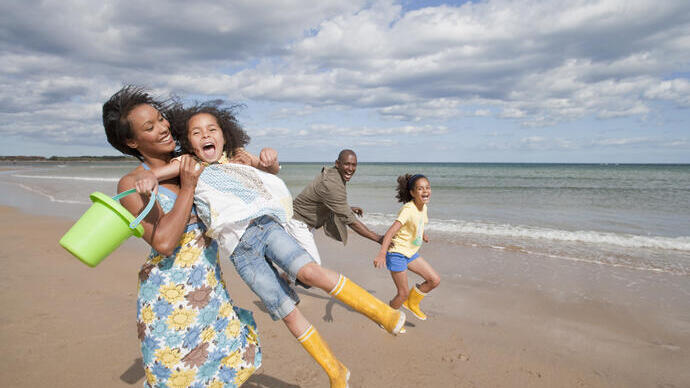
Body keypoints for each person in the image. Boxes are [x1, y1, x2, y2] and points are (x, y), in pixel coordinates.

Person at [138, 101, 406, 388]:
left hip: (265, 227)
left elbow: (270, 170)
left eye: (212, 129)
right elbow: (154, 174)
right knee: (287, 313)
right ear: (188, 142)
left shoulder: (237, 158)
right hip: (241, 253)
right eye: (196, 132)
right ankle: (335, 371)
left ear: (224, 135)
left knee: (310, 274)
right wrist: (146, 178)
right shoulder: (188, 164)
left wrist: (270, 159)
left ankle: (384, 314)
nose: (206, 136)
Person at [102, 86, 261, 388]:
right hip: (169, 298)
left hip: (209, 288)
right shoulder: (133, 183)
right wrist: (187, 187)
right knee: (179, 377)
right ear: (131, 141)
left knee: (223, 368)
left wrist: (250, 162)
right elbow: (163, 242)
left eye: (161, 119)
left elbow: (239, 191)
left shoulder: (190, 161)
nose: (163, 128)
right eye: (150, 127)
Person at [287, 150, 382, 265]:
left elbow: (328, 201)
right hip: (298, 224)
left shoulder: (335, 175)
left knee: (300, 267)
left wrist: (349, 208)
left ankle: (285, 280)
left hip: (302, 223)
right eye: (347, 164)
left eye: (354, 165)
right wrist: (378, 238)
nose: (350, 169)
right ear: (337, 163)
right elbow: (351, 221)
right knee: (313, 266)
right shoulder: (332, 183)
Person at [373, 174, 441, 321]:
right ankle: (385, 318)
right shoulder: (408, 209)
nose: (425, 191)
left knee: (434, 280)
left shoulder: (423, 208)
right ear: (412, 193)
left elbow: (419, 222)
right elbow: (391, 231)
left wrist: (422, 234)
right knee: (402, 293)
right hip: (397, 254)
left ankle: (412, 303)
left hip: (410, 253)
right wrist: (382, 254)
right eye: (420, 188)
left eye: (427, 188)